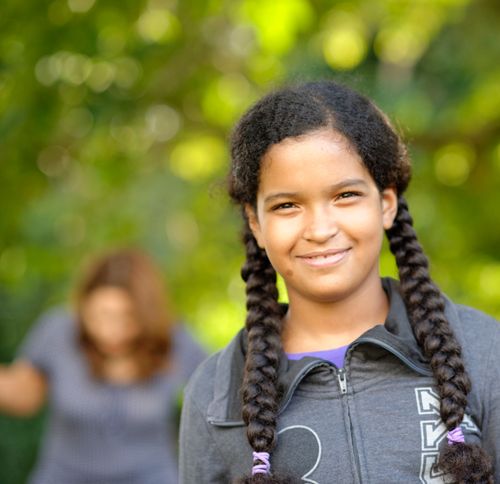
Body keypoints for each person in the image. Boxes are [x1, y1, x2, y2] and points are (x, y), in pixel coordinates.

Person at [179, 81, 500, 483]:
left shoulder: (485, 352)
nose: (319, 228)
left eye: (345, 195)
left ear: (386, 204)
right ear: (255, 223)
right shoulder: (214, 395)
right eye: (287, 205)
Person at [0, 248, 206, 484]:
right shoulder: (58, 331)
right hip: (64, 475)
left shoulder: (174, 340)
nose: (111, 331)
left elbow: (220, 399)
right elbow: (25, 396)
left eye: (127, 317)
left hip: (151, 475)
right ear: (83, 306)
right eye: (100, 315)